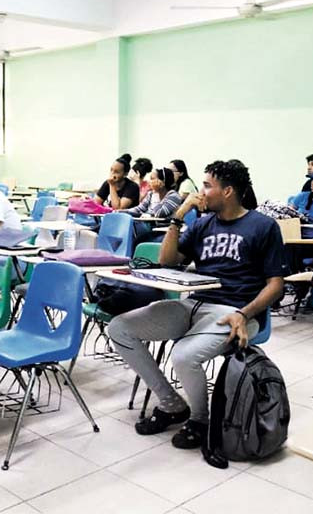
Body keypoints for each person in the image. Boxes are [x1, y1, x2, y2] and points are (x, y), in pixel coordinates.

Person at [108, 159, 284, 468]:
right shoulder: (203, 224)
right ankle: (172, 404)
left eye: (207, 185)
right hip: (194, 304)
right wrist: (179, 215)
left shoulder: (263, 226)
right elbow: (166, 260)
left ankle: (200, 420)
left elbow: (276, 285)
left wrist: (244, 313)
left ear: (227, 191)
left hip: (235, 311)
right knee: (119, 329)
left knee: (184, 355)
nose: (200, 191)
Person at [122, 167, 183, 246]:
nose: (149, 181)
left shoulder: (173, 196)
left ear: (162, 182)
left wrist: (156, 193)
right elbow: (140, 209)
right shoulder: (151, 194)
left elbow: (159, 213)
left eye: (152, 179)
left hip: (164, 231)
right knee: (128, 233)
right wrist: (123, 211)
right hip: (150, 228)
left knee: (137, 240)